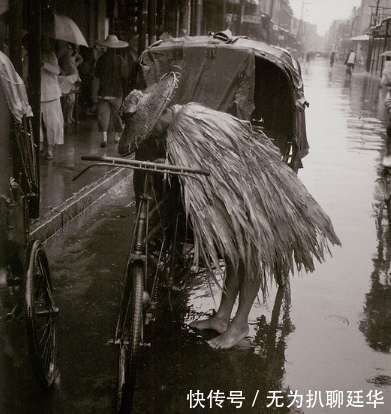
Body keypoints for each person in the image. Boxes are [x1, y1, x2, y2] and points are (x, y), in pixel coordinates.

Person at [119, 74, 341, 350]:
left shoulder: (192, 122)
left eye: (149, 127)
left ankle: (240, 325)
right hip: (237, 198)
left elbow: (223, 167)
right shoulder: (176, 126)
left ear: (159, 114)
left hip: (255, 195)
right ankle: (222, 317)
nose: (149, 133)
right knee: (236, 255)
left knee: (249, 255)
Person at [94, 35, 128, 147]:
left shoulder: (101, 59)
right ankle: (116, 137)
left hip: (103, 91)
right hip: (117, 92)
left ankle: (104, 138)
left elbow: (97, 74)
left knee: (102, 115)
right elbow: (124, 76)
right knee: (117, 114)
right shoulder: (121, 60)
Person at [41, 36, 64, 159]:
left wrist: (44, 64)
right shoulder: (29, 56)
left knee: (52, 123)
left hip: (51, 95)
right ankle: (39, 146)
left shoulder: (51, 55)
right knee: (37, 124)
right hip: (37, 94)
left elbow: (57, 70)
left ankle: (50, 148)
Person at [57, 42, 83, 124]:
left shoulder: (74, 51)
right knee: (67, 98)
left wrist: (77, 62)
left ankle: (70, 116)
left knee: (73, 99)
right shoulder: (64, 50)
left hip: (75, 75)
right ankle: (65, 118)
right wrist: (62, 71)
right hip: (67, 76)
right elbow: (55, 60)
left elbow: (81, 58)